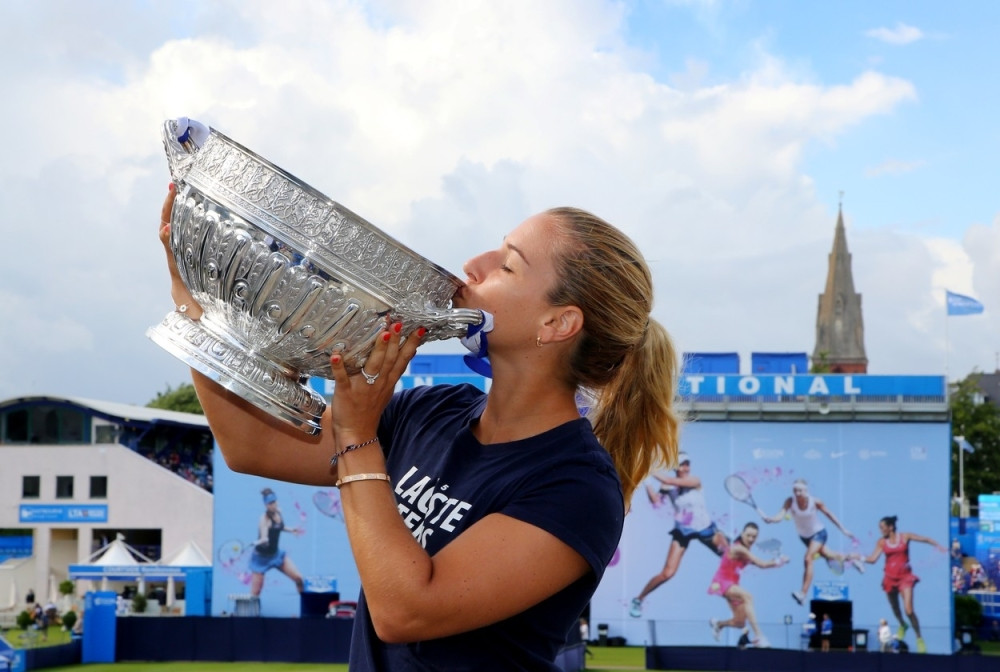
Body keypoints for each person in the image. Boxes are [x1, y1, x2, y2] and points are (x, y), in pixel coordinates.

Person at [158, 186, 681, 670]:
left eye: (507, 265)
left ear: (557, 324)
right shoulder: (432, 411)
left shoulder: (576, 488)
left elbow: (406, 611)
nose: (473, 267)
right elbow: (254, 446)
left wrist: (358, 435)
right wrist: (201, 303)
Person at [629, 452, 726, 618]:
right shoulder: (668, 487)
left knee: (731, 555)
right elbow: (656, 502)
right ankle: (639, 599)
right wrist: (647, 482)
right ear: (676, 467)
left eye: (688, 464)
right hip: (683, 531)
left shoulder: (695, 481)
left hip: (706, 528)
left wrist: (647, 468)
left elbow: (668, 480)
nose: (686, 468)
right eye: (682, 464)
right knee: (667, 573)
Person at [760, 478, 863, 605]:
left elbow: (830, 515)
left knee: (808, 558)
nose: (797, 493)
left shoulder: (815, 502)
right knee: (830, 555)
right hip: (805, 537)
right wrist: (771, 519)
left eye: (800, 490)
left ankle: (802, 594)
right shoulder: (790, 501)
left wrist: (843, 529)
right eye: (795, 490)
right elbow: (780, 515)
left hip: (819, 533)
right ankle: (854, 558)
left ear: (806, 490)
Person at [859, 515, 945, 655]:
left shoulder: (905, 537)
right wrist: (860, 557)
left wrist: (938, 545)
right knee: (895, 608)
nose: (881, 530)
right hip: (889, 578)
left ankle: (919, 638)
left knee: (909, 610)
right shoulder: (881, 542)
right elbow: (873, 559)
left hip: (905, 578)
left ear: (890, 527)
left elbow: (925, 539)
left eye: (882, 527)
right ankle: (902, 624)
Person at [707, 522, 787, 648]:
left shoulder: (746, 551)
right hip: (722, 582)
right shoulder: (738, 548)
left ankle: (718, 624)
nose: (751, 539)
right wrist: (779, 561)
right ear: (742, 533)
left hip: (733, 584)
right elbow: (762, 564)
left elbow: (762, 564)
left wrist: (778, 561)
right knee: (748, 597)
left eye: (754, 537)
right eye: (748, 535)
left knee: (739, 622)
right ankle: (759, 636)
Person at [249, 487, 305, 597]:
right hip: (261, 559)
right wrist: (264, 540)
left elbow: (280, 527)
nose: (272, 505)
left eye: (274, 502)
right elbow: (264, 535)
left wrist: (291, 530)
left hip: (276, 555)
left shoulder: (278, 513)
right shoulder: (264, 519)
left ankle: (305, 608)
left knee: (299, 578)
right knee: (255, 594)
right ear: (266, 505)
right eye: (270, 503)